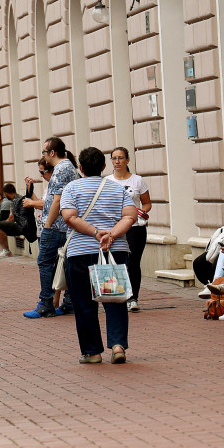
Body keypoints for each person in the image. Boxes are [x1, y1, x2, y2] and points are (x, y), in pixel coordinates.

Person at [60, 147, 137, 364]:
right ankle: (118, 345)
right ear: (104, 166)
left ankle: (92, 352)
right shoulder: (117, 188)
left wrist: (96, 233)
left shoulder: (71, 188)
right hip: (114, 251)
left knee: (83, 303)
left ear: (80, 167)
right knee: (116, 298)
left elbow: (69, 217)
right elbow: (130, 217)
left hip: (80, 252)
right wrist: (111, 234)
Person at [26, 137, 80, 319]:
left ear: (52, 152)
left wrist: (48, 224)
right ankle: (69, 302)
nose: (43, 155)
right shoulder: (68, 167)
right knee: (64, 264)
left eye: (44, 152)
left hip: (57, 226)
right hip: (66, 226)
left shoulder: (61, 169)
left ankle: (46, 303)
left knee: (45, 263)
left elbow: (57, 200)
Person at [107, 148, 151, 312]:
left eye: (120, 158)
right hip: (114, 228)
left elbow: (147, 203)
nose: (117, 161)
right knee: (116, 261)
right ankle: (118, 295)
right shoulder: (107, 181)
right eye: (114, 158)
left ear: (127, 160)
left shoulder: (137, 180)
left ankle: (133, 298)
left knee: (133, 262)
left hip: (135, 228)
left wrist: (142, 211)